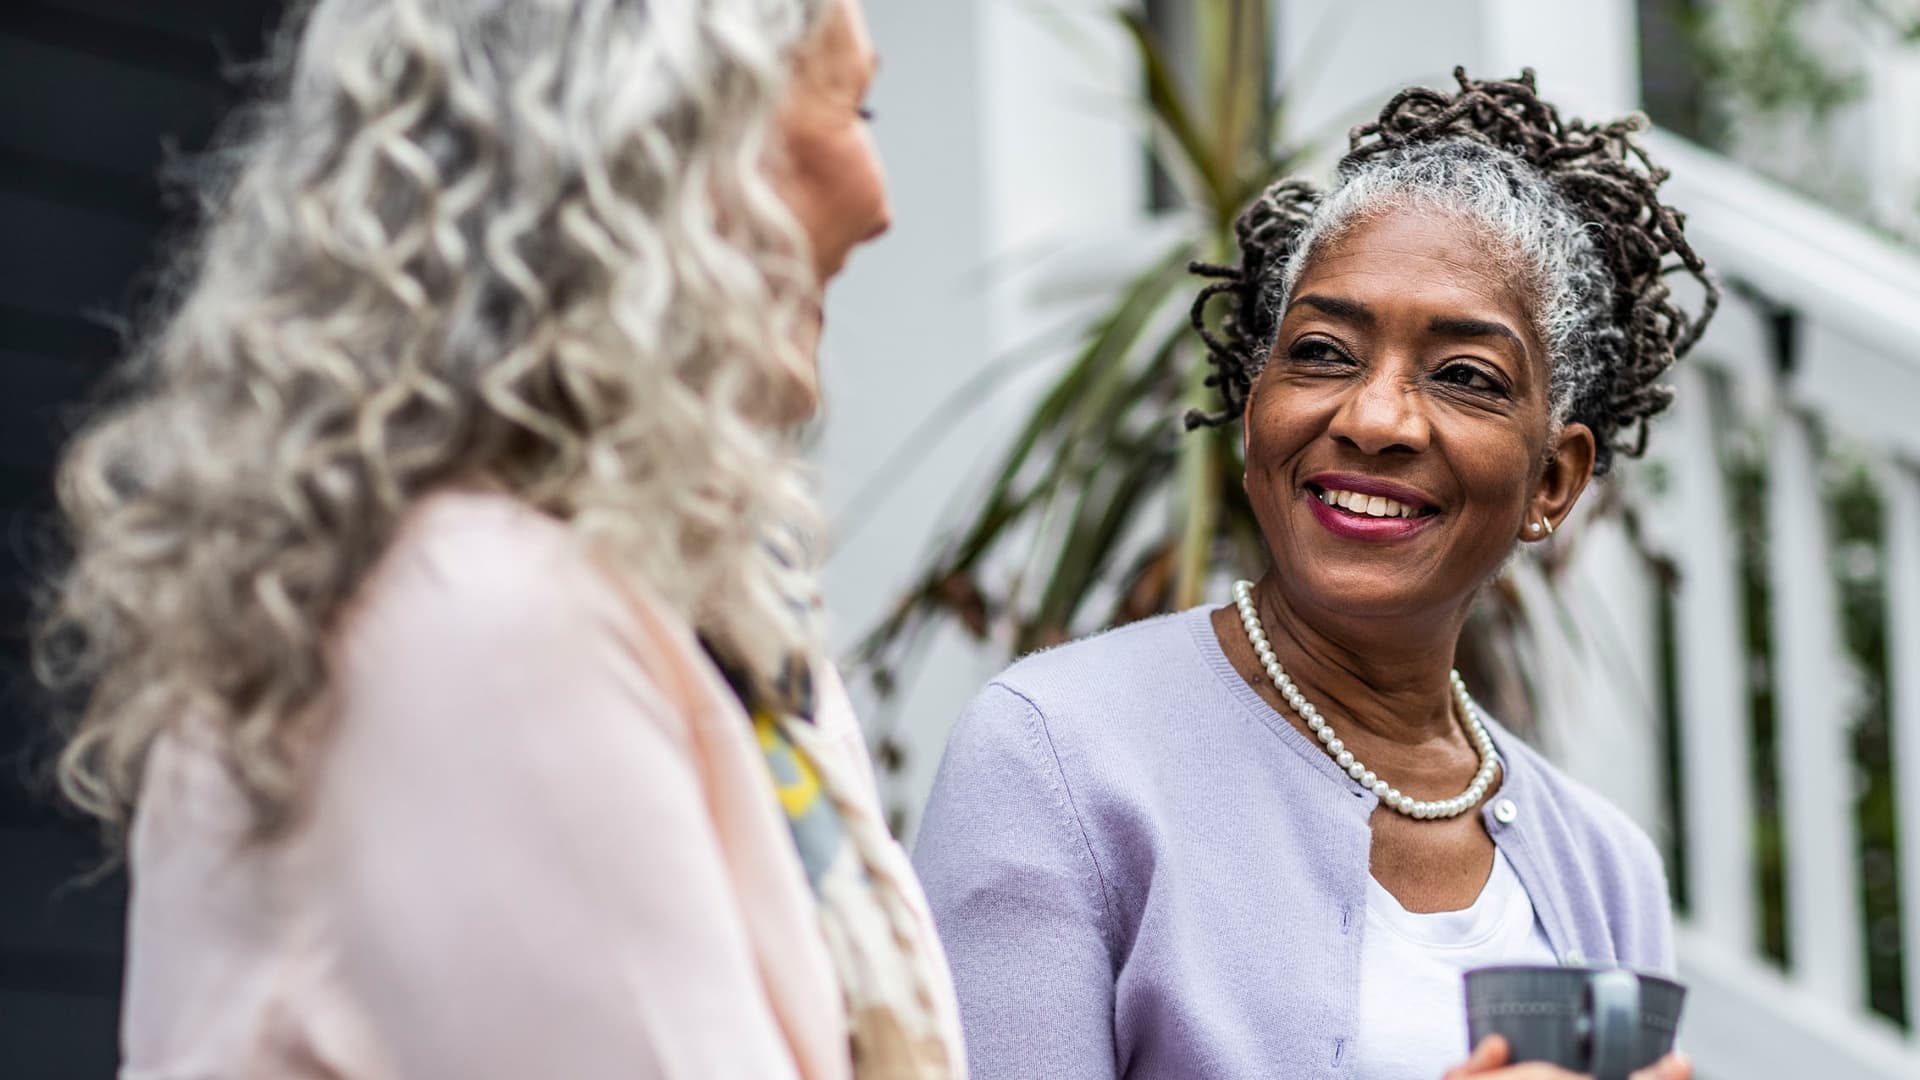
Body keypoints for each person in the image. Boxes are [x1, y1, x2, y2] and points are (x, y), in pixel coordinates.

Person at [38, 0, 965, 1077]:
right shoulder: (479, 620)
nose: (880, 198)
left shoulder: (699, 604)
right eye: (853, 106)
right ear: (646, 143)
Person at [911, 70, 1717, 1080]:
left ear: (1553, 479)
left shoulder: (1605, 868)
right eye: (1325, 353)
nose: (1374, 419)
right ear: (1253, 422)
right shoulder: (1055, 760)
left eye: (1464, 376)